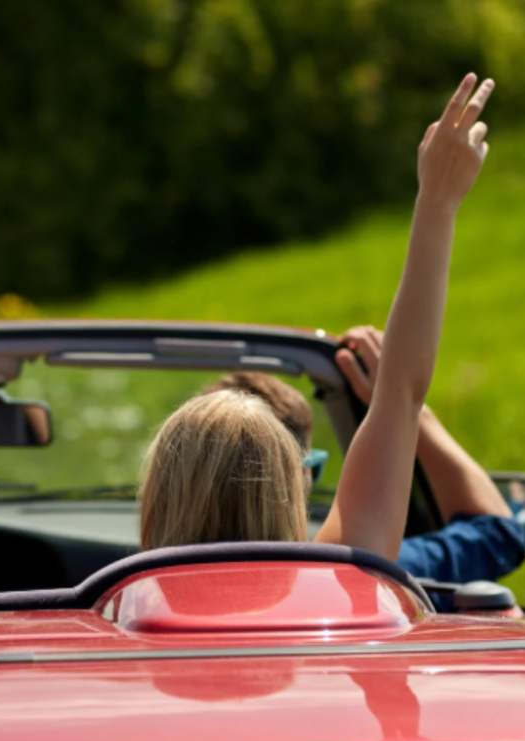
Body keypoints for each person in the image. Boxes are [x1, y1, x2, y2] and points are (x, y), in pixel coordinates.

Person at [140, 73, 495, 563]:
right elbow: (402, 392)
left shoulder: (108, 613)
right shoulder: (340, 579)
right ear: (290, 488)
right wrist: (437, 199)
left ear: (157, 499)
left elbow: (403, 394)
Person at [204, 363, 524, 582]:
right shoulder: (354, 573)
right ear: (301, 477)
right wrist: (411, 409)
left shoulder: (153, 591)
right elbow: (497, 535)